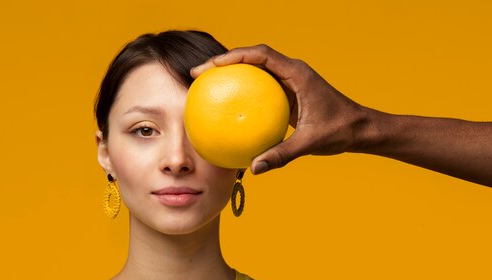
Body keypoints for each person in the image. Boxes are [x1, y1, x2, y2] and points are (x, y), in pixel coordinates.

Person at [0, 31, 361, 280]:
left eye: (201, 128)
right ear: (105, 152)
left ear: (245, 148)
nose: (176, 159)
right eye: (145, 130)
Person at [191, 45, 492, 188]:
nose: (175, 161)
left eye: (190, 126)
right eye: (145, 130)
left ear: (239, 169)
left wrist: (362, 127)